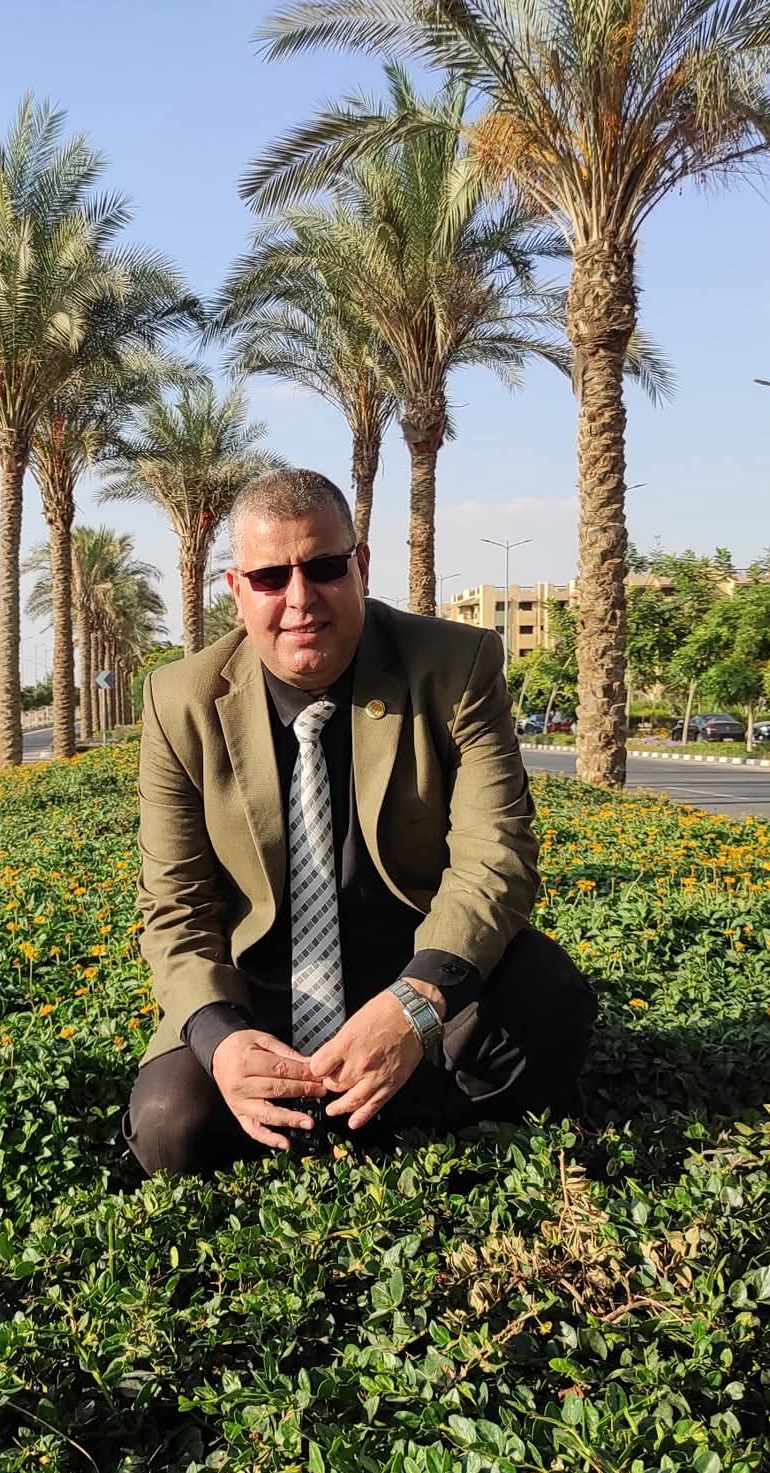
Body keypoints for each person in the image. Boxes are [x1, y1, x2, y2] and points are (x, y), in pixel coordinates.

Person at [121, 467, 597, 1177]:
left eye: (323, 568)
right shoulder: (179, 702)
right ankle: (376, 1109)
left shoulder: (456, 667)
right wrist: (224, 1042)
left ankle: (389, 1096)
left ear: (361, 566)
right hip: (260, 1003)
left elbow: (495, 856)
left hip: (416, 988)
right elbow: (175, 906)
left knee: (547, 997)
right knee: (170, 1129)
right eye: (270, 579)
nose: (300, 599)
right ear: (236, 589)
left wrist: (414, 1004)